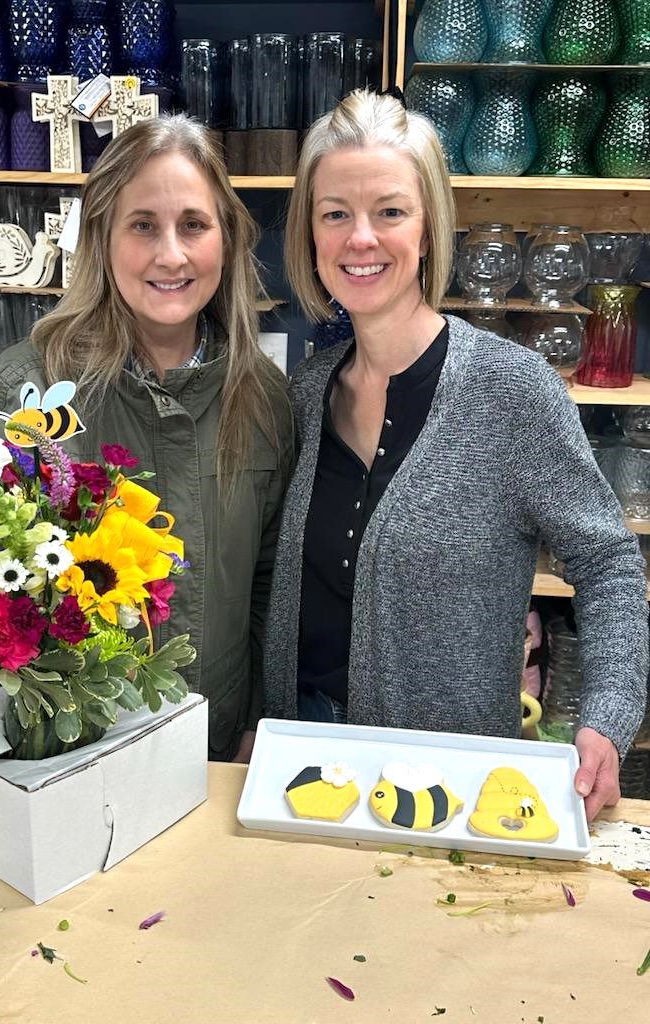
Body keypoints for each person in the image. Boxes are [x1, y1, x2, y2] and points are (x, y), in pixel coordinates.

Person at [0, 113, 292, 832]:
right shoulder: (26, 394)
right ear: (100, 238)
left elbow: (267, 587)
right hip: (57, 774)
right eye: (142, 225)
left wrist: (265, 721)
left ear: (227, 239)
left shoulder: (261, 397)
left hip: (214, 759)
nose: (171, 254)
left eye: (194, 224)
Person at [263, 88, 648, 822]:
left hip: (454, 786)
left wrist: (606, 714)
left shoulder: (513, 391)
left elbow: (607, 563)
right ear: (310, 234)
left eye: (390, 211)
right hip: (304, 770)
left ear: (430, 225)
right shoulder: (306, 394)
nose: (361, 238)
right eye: (335, 212)